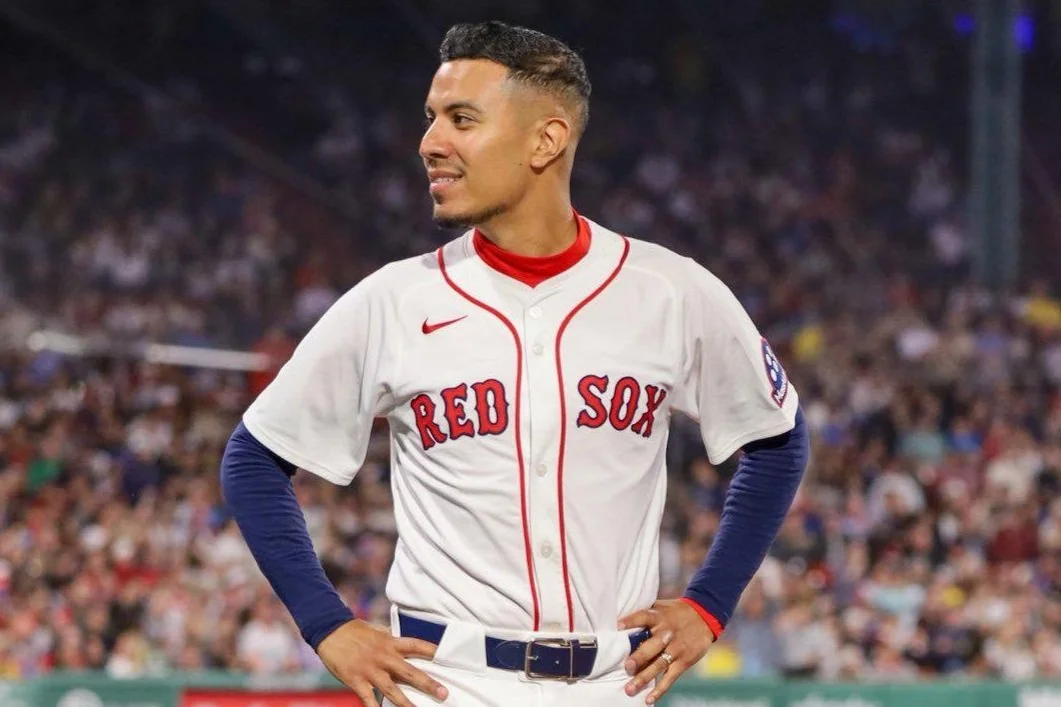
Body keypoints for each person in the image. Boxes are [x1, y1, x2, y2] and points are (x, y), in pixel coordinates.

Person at [220, 20, 809, 707]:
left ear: (546, 139)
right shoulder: (393, 299)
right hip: (445, 681)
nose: (430, 143)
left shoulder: (669, 290)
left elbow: (776, 439)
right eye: (432, 118)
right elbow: (254, 459)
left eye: (461, 119)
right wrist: (328, 626)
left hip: (616, 683)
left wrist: (708, 604)